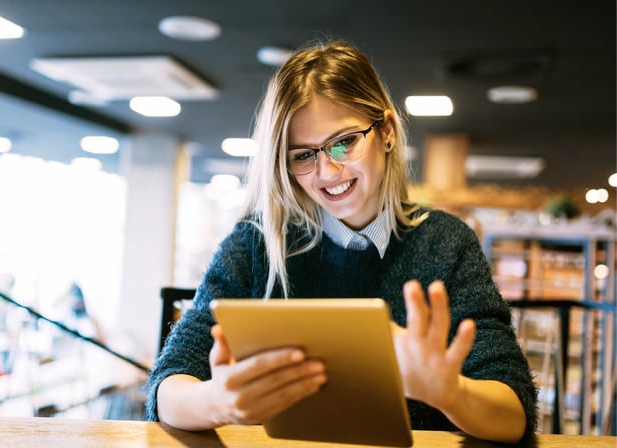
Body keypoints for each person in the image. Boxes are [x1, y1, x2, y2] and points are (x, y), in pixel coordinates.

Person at [144, 39, 537, 444]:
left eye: (344, 142)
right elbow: (166, 386)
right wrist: (217, 401)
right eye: (303, 155)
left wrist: (450, 393)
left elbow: (514, 415)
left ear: (385, 131)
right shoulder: (257, 243)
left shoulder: (447, 243)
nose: (328, 172)